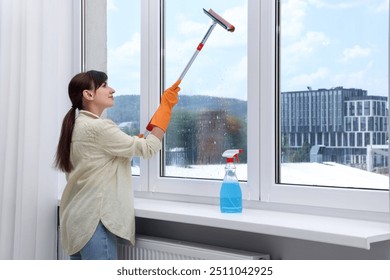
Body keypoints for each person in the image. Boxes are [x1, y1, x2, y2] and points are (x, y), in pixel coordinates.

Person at [54, 70, 180, 260]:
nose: (112, 90)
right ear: (88, 94)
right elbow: (148, 148)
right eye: (104, 86)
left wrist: (131, 143)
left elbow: (103, 158)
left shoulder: (76, 126)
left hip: (76, 222)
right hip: (93, 224)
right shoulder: (99, 127)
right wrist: (166, 109)